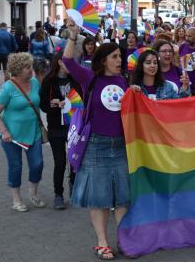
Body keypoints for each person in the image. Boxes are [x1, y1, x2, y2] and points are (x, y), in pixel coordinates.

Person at [63, 19, 129, 261]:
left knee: (123, 197)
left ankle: (123, 238)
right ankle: (102, 241)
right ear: (103, 60)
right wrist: (73, 36)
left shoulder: (124, 81)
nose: (119, 60)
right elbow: (68, 62)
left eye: (119, 56)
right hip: (96, 145)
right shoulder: (91, 78)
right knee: (99, 197)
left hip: (121, 145)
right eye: (114, 56)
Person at [0, 52, 45, 212]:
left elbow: (41, 102)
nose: (30, 70)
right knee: (15, 166)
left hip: (33, 132)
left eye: (30, 66)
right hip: (12, 136)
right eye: (27, 67)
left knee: (37, 164)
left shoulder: (35, 83)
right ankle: (16, 199)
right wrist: (4, 131)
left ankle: (33, 192)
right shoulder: (8, 87)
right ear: (18, 70)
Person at [39, 52, 79, 210]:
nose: (71, 65)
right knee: (60, 162)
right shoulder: (49, 81)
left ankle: (75, 189)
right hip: (56, 127)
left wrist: (73, 104)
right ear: (60, 63)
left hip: (74, 126)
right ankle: (58, 195)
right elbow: (43, 105)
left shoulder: (75, 79)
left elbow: (82, 100)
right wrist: (53, 104)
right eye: (68, 62)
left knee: (75, 162)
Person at [0, 22, 18, 95]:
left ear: (0, 27)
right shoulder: (10, 35)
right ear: (6, 27)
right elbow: (15, 46)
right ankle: (6, 89)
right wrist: (12, 51)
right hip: (7, 54)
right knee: (7, 71)